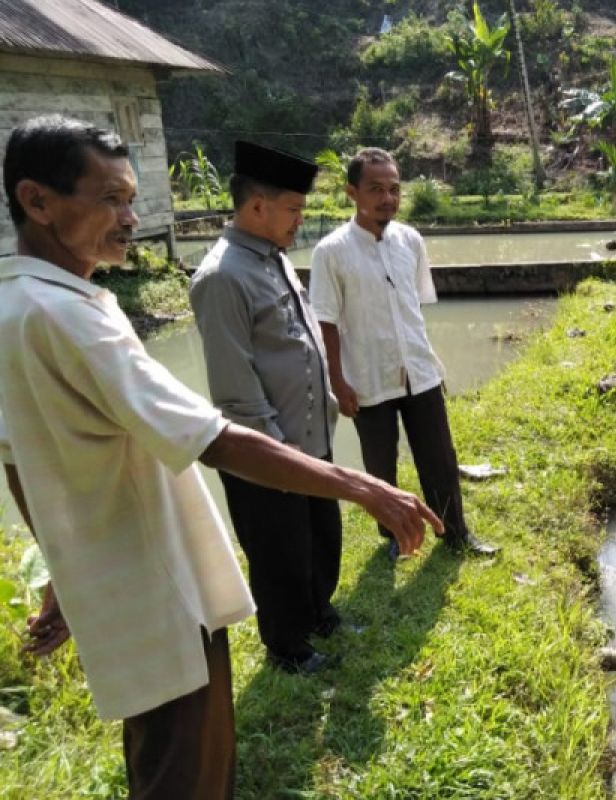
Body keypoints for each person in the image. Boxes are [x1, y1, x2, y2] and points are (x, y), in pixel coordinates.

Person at [0, 115, 440, 799]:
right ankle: (290, 635)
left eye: (131, 198)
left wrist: (63, 562)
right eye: (110, 198)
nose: (130, 218)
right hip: (155, 582)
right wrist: (364, 486)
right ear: (38, 201)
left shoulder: (19, 305)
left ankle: (309, 618)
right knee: (189, 766)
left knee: (164, 753)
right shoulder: (73, 315)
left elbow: (20, 456)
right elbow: (219, 434)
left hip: (115, 581)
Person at [189, 141, 353, 673]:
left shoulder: (272, 259)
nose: (300, 222)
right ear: (257, 207)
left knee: (320, 535)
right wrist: (277, 452)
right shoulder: (223, 277)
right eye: (294, 211)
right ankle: (288, 644)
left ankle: (319, 612)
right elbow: (235, 389)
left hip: (310, 437)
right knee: (279, 550)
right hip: (269, 450)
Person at [309, 148, 498, 558]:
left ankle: (455, 532)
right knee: (381, 465)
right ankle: (393, 536)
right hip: (367, 376)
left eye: (394, 189)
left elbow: (413, 307)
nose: (387, 198)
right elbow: (325, 320)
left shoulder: (410, 240)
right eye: (375, 189)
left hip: (418, 371)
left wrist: (428, 360)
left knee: (440, 458)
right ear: (352, 193)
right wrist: (338, 382)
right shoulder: (331, 251)